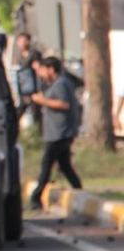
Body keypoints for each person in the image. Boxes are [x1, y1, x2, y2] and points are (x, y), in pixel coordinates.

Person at [29, 56, 83, 210]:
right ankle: (79, 191)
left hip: (59, 132)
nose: (41, 73)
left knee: (46, 164)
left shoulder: (61, 84)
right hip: (56, 132)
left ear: (51, 69)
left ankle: (36, 197)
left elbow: (63, 104)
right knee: (65, 165)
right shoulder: (54, 84)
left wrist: (42, 101)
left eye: (43, 70)